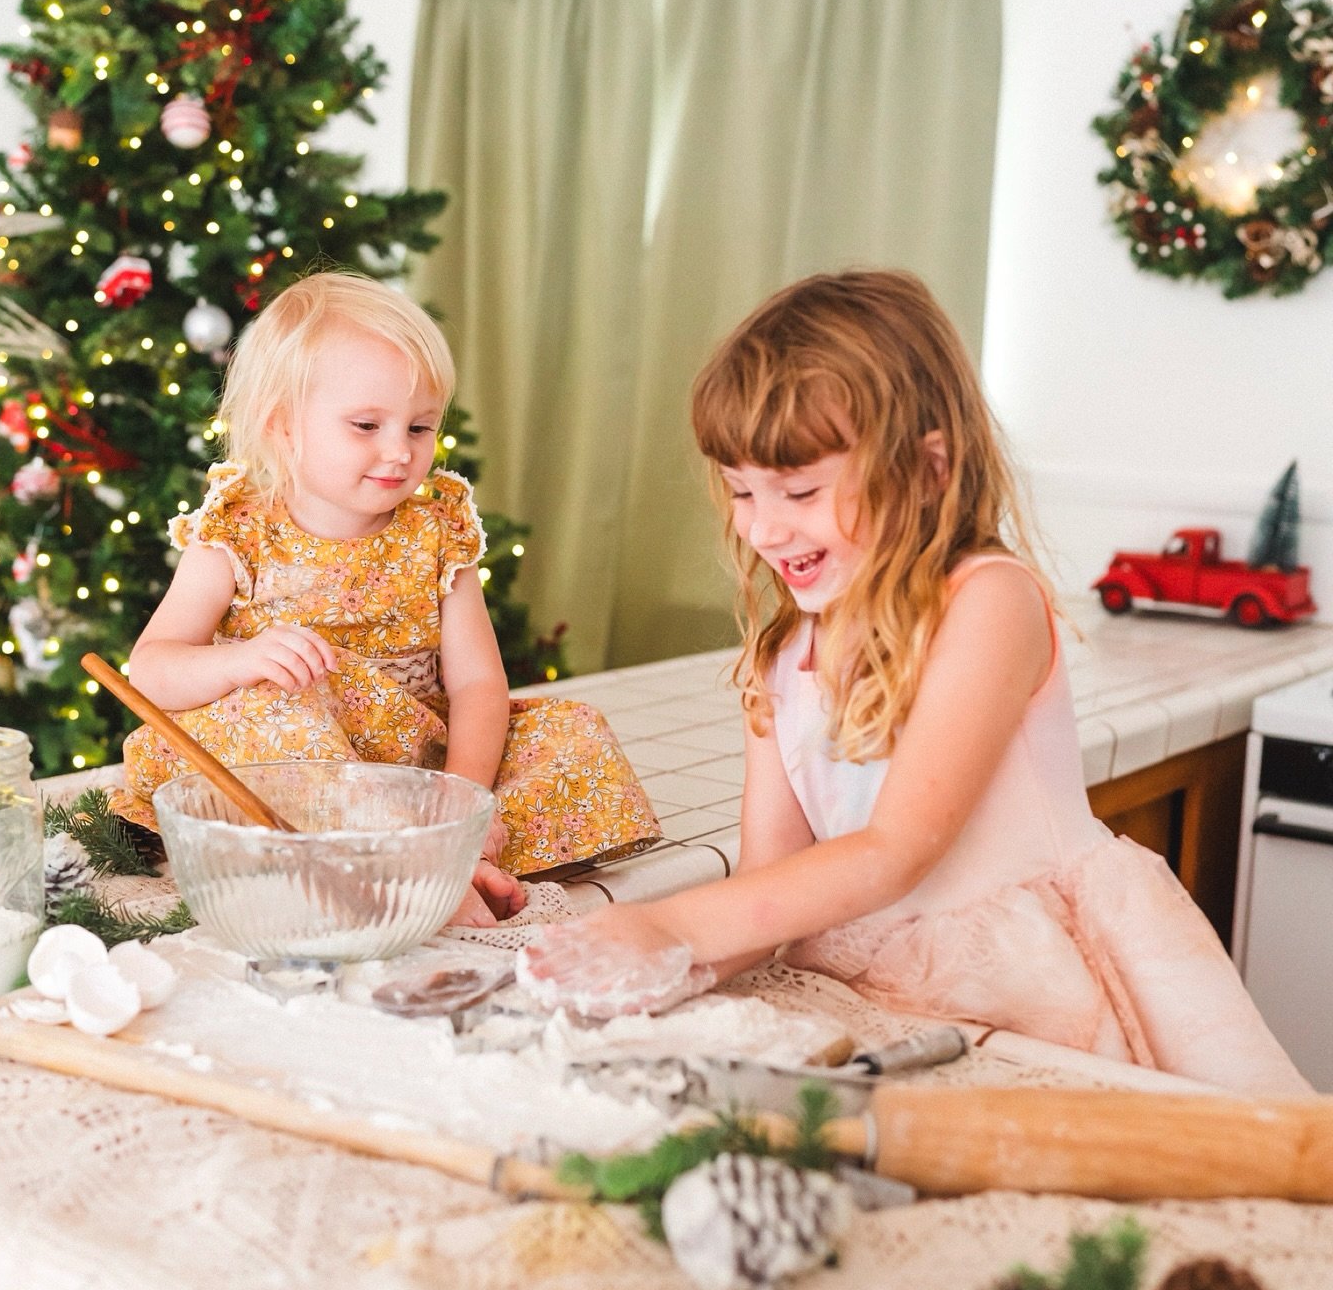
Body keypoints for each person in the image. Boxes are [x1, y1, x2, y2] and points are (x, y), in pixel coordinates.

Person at [520, 269, 1309, 1094]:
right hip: (878, 990)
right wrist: (671, 964)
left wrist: (668, 921)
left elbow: (895, 851)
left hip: (1029, 983)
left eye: (799, 489)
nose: (762, 525)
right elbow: (766, 889)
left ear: (930, 468)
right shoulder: (783, 655)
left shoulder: (987, 601)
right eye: (741, 489)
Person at [114, 271, 659, 925]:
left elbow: (479, 684)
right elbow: (150, 670)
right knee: (272, 709)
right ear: (282, 426)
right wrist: (242, 660)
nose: (399, 452)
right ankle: (417, 871)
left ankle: (433, 852)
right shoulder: (237, 528)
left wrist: (459, 798)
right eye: (367, 425)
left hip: (409, 765)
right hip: (287, 762)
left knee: (573, 735)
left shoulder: (436, 530)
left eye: (421, 427)